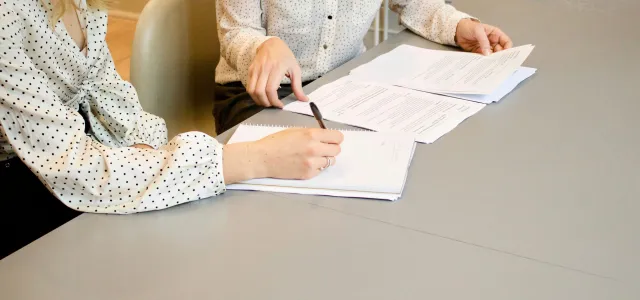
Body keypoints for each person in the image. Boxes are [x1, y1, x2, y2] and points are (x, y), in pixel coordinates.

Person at [0, 0, 343, 259]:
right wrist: (252, 160)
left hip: (76, 153)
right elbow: (75, 167)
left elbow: (108, 93)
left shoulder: (82, 4)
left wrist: (147, 150)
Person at [213, 0, 514, 133]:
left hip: (344, 85)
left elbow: (415, 3)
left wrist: (458, 25)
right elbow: (235, 32)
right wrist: (262, 47)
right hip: (256, 93)